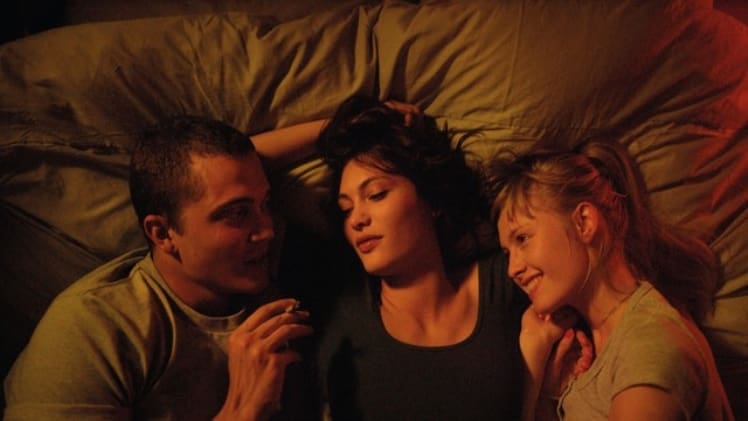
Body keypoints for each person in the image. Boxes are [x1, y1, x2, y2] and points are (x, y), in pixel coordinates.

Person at [3, 116, 318, 421]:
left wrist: (336, 128)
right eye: (237, 214)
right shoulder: (96, 330)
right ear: (163, 233)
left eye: (265, 203)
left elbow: (235, 170)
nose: (266, 230)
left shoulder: (272, 265)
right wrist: (242, 411)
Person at [313, 95, 529, 420]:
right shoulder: (337, 306)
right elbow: (238, 171)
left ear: (431, 198)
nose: (356, 219)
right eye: (346, 209)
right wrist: (342, 127)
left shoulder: (507, 278)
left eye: (376, 195)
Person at [487, 140, 735, 420]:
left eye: (522, 238)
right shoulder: (591, 350)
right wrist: (543, 395)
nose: (512, 269)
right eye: (507, 253)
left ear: (584, 222)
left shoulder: (650, 346)